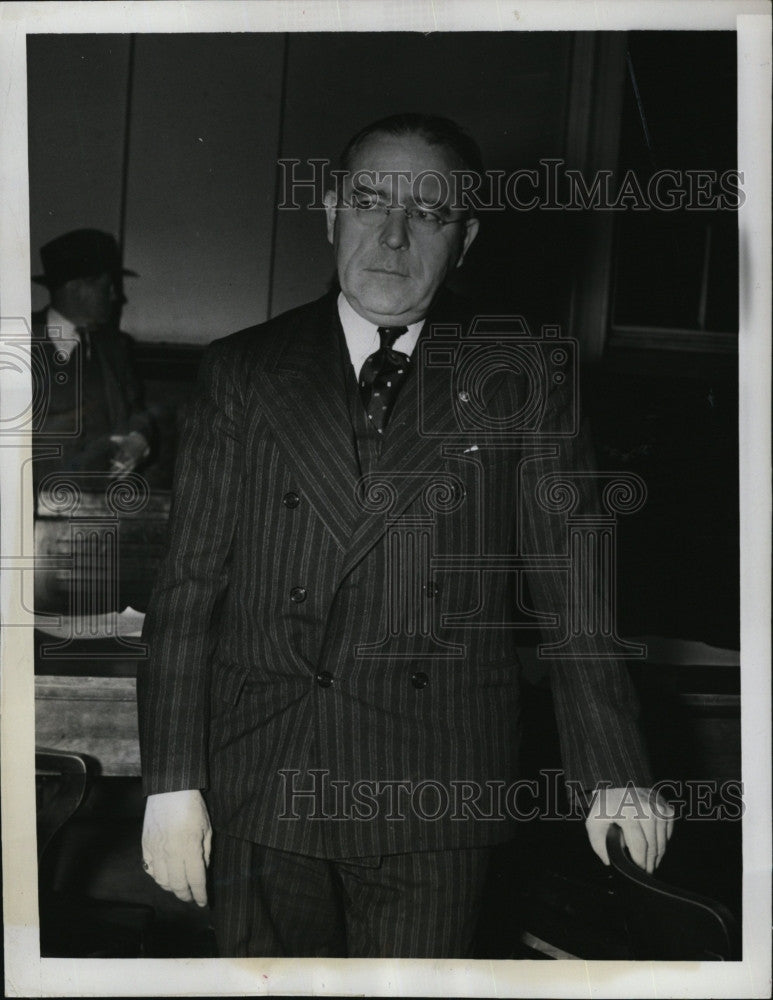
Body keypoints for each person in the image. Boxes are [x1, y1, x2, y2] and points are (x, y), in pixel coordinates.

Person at [138, 113, 673, 958]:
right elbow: (187, 593)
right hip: (263, 773)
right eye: (369, 202)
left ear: (465, 239)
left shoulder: (524, 375)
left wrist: (614, 773)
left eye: (427, 214)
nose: (391, 236)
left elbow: (575, 597)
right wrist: (171, 781)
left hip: (436, 784)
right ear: (328, 214)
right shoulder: (243, 370)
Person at [31, 228, 153, 484]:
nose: (117, 296)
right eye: (107, 287)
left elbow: (137, 414)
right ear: (76, 287)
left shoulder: (117, 348)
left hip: (98, 502)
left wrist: (139, 439)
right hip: (28, 502)